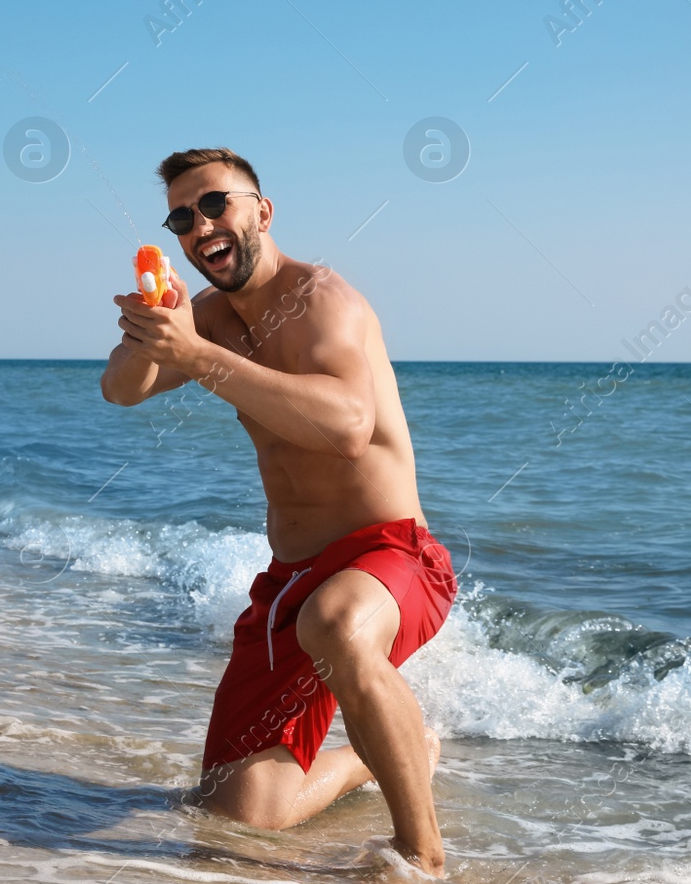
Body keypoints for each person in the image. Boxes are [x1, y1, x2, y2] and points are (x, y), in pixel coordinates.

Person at [100, 148, 456, 874]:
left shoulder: (323, 299)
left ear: (262, 211)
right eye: (180, 217)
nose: (198, 226)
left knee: (335, 621)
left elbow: (349, 425)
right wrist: (152, 327)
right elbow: (121, 390)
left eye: (213, 204)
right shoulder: (206, 318)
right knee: (230, 806)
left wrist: (197, 358)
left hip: (390, 556)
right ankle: (383, 754)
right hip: (290, 579)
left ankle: (423, 855)